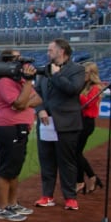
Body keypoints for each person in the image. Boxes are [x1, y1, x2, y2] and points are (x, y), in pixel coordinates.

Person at [34, 39, 87, 210]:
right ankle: (47, 195)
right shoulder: (44, 70)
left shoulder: (77, 70)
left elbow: (73, 90)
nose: (48, 53)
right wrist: (40, 109)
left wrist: (57, 75)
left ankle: (70, 197)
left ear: (61, 51)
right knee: (46, 160)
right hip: (46, 121)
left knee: (67, 162)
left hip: (67, 123)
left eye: (50, 50)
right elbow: (37, 93)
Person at [0, 51, 40, 221]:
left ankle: (12, 204)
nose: (21, 62)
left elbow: (38, 99)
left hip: (20, 126)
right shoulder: (5, 81)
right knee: (6, 168)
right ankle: (1, 208)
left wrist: (24, 100)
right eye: (17, 59)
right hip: (7, 127)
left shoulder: (19, 81)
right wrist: (27, 86)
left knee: (14, 168)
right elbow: (19, 103)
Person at [76, 62, 104, 194]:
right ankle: (83, 180)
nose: (83, 75)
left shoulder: (96, 87)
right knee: (76, 152)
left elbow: (88, 103)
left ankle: (89, 178)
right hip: (80, 120)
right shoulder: (84, 85)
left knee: (76, 152)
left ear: (92, 74)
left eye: (86, 73)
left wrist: (77, 92)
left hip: (87, 122)